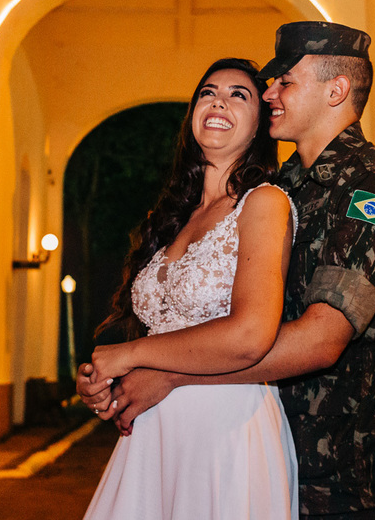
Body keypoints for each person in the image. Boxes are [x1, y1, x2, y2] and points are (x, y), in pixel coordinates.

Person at [80, 22, 375, 520]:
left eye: (285, 82)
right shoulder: (282, 185)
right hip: (279, 443)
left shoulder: (374, 190)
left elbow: (321, 338)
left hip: (357, 464)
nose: (270, 93)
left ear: (336, 90)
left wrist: (168, 374)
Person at [82, 57, 300, 520]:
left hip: (225, 428)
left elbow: (250, 335)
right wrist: (108, 385)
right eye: (208, 92)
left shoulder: (264, 202)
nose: (218, 100)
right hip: (151, 433)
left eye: (238, 95)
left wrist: (132, 353)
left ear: (261, 124)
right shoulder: (173, 219)